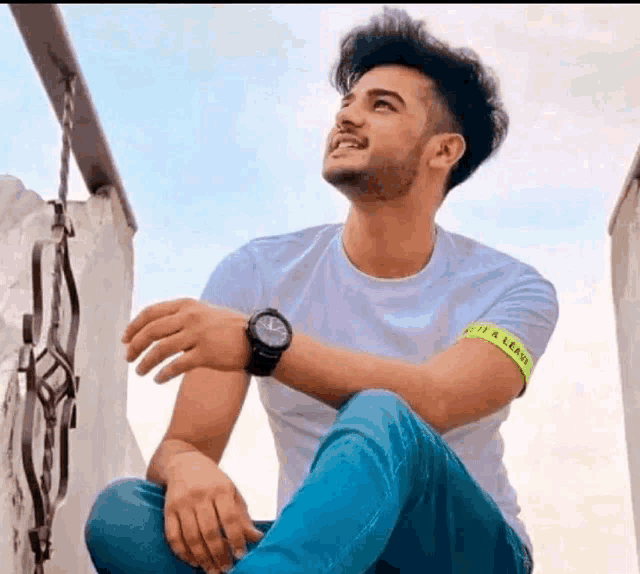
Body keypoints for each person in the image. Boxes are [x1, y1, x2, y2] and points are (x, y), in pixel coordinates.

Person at [84, 7, 557, 573]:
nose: (347, 119)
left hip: (463, 554)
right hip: (327, 554)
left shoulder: (513, 288)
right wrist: (188, 469)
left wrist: (262, 345)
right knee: (123, 512)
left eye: (381, 105)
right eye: (347, 103)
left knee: (384, 414)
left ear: (444, 150)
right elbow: (184, 444)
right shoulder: (258, 271)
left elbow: (436, 400)